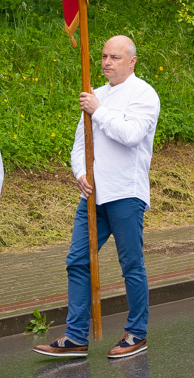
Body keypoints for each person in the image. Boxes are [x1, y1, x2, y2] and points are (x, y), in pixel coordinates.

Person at [33, 36, 160, 360]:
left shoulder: (143, 94)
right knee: (78, 260)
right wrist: (80, 173)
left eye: (114, 57)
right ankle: (76, 336)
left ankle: (137, 332)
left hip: (125, 193)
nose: (106, 62)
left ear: (131, 61)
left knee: (131, 263)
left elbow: (131, 136)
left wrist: (99, 111)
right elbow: (79, 143)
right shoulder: (96, 95)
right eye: (104, 56)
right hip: (93, 194)